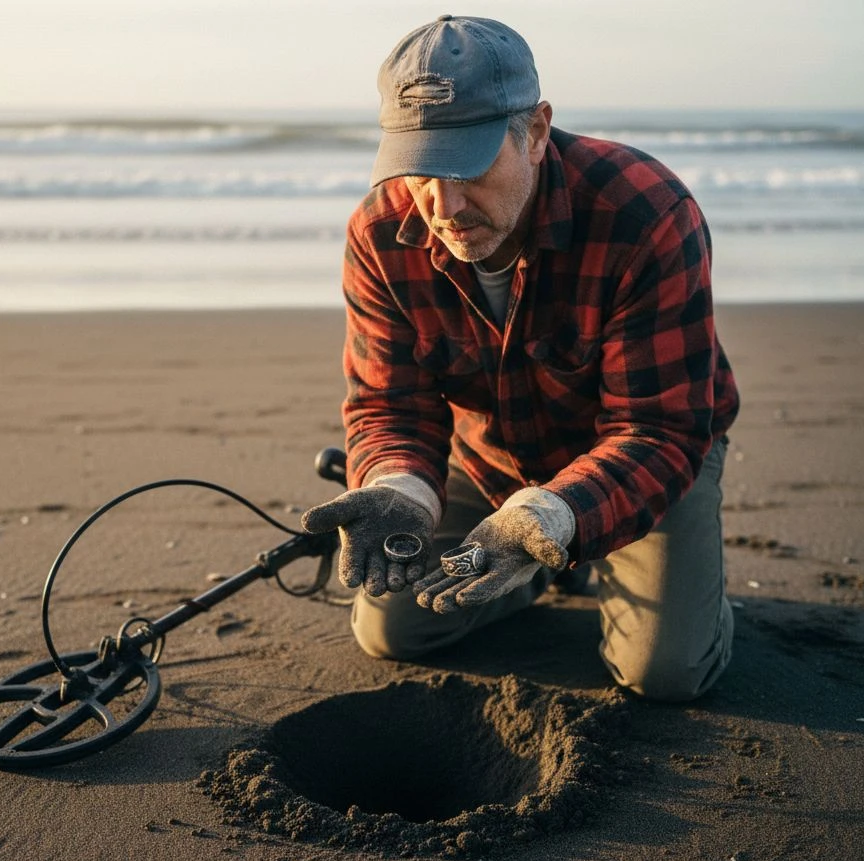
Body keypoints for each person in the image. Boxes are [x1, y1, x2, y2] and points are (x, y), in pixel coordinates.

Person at [301, 15, 740, 701]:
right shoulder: (381, 232)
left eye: (468, 164)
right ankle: (536, 569)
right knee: (393, 632)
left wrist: (557, 515)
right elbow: (391, 402)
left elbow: (661, 430)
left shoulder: (644, 213)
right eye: (419, 168)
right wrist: (400, 486)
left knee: (665, 673)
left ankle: (667, 585)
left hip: (641, 459)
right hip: (492, 460)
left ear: (535, 132)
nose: (441, 203)